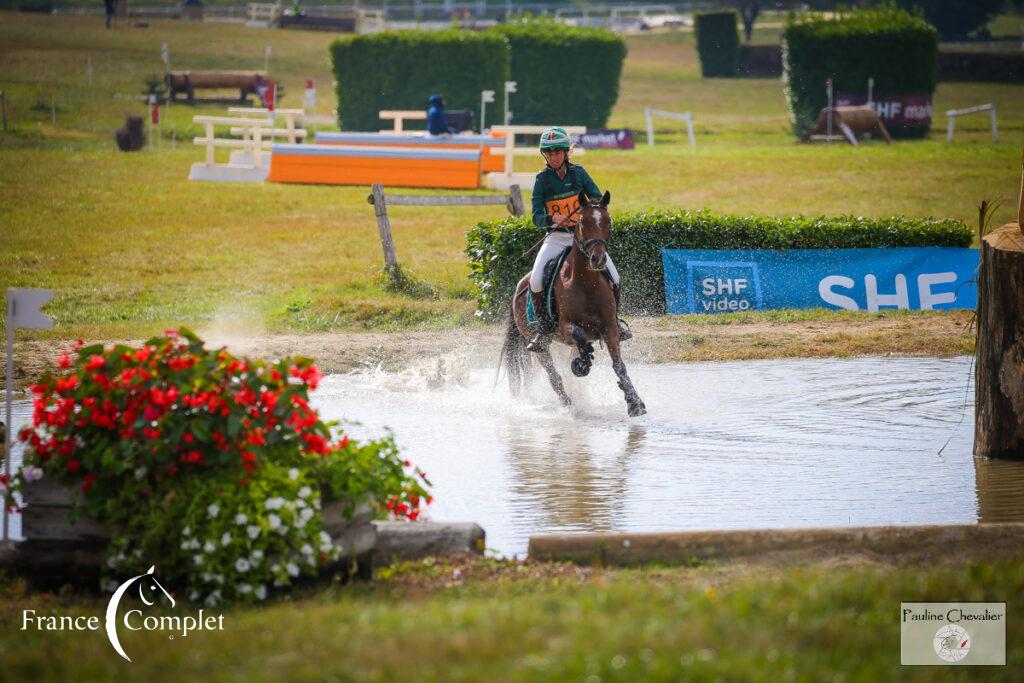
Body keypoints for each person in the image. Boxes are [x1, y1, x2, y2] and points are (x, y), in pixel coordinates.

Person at [527, 126, 631, 352]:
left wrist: (588, 208)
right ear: (545, 155)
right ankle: (543, 328)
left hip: (584, 240)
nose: (553, 157)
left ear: (566, 152)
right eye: (549, 153)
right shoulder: (542, 180)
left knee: (615, 276)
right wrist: (553, 217)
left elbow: (596, 197)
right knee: (535, 280)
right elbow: (535, 216)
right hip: (556, 239)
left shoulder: (579, 173)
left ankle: (616, 322)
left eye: (557, 152)